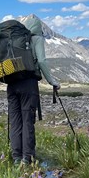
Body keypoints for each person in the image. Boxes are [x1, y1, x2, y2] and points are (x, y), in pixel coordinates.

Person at [8, 16, 60, 165]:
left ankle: (16, 158)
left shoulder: (15, 39)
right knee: (27, 121)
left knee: (15, 122)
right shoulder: (36, 39)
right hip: (28, 84)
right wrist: (52, 82)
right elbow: (42, 61)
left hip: (11, 84)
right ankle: (27, 159)